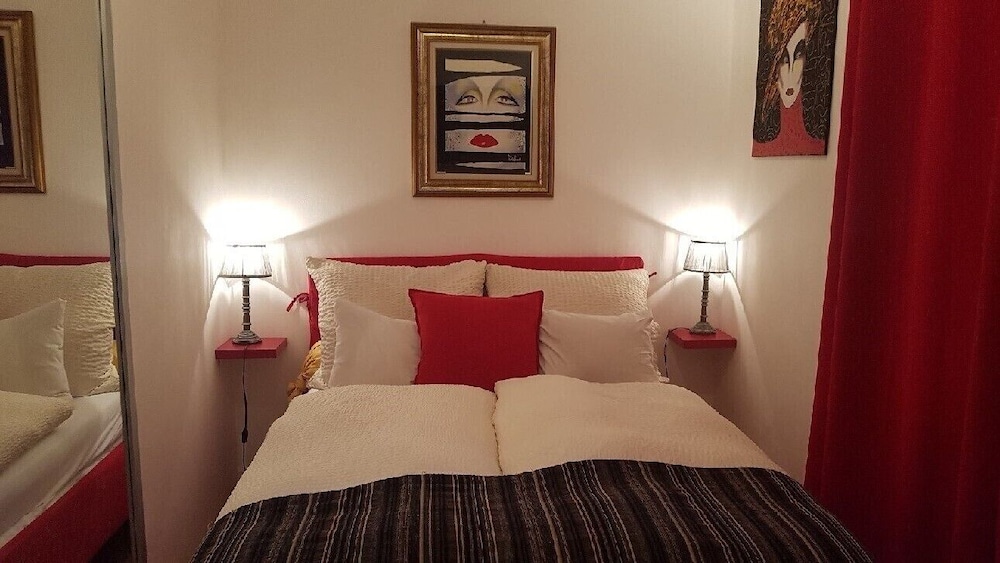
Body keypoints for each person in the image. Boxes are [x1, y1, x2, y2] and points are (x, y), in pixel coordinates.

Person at [752, 0, 833, 156]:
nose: (790, 71)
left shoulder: (815, 139)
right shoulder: (763, 144)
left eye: (799, 54)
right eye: (783, 58)